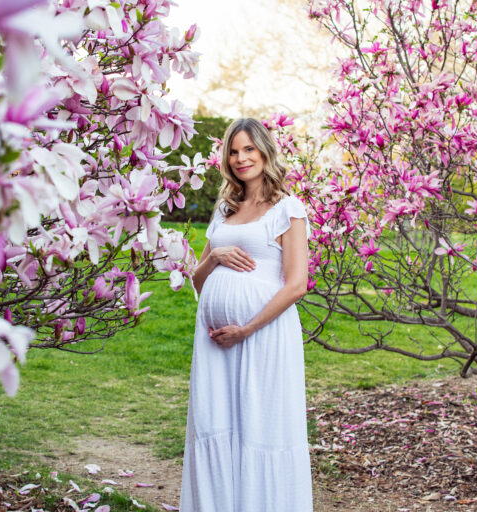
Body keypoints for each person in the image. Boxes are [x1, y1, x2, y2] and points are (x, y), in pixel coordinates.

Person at [180, 118, 313, 511]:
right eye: (234, 151)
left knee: (261, 425)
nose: (241, 158)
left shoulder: (287, 208)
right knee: (214, 423)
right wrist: (215, 257)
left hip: (263, 336)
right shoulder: (224, 211)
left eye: (249, 149)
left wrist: (247, 328)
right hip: (215, 343)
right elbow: (198, 282)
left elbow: (297, 284)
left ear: (264, 151)